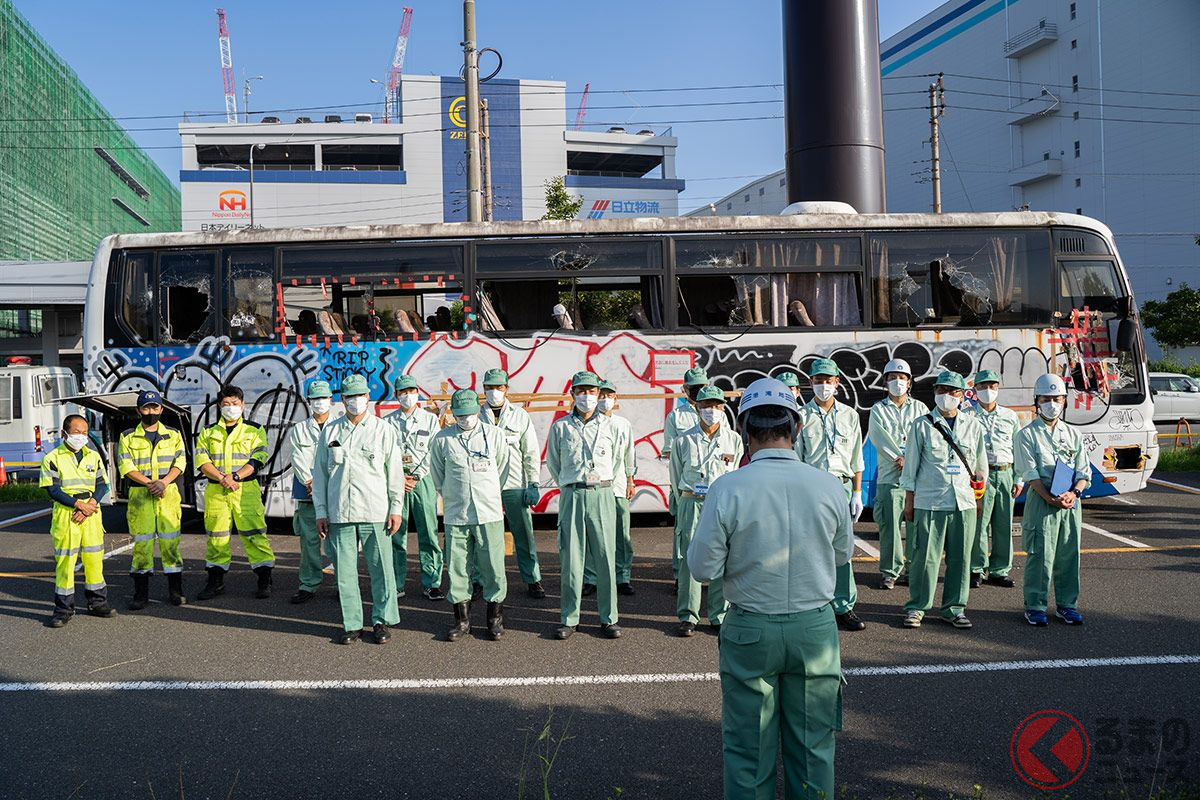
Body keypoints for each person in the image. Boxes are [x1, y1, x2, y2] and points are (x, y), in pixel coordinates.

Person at [688, 377, 852, 800]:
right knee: (814, 748)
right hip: (815, 627)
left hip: (749, 628)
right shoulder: (829, 485)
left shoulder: (727, 487)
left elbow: (703, 568)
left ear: (744, 431)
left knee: (748, 750)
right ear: (796, 428)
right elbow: (842, 554)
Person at [312, 373, 405, 645]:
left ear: (368, 397)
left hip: (376, 511)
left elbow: (394, 473)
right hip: (340, 512)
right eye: (350, 396)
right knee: (345, 572)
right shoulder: (330, 431)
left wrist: (395, 508)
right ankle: (352, 624)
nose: (356, 401)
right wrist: (321, 511)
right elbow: (320, 475)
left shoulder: (383, 430)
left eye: (360, 395)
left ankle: (381, 621)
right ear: (342, 399)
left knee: (382, 570)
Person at [899, 370, 988, 629]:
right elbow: (911, 466)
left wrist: (980, 498)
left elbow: (980, 467)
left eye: (952, 392)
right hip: (930, 501)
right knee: (925, 558)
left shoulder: (973, 425)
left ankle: (954, 608)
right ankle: (917, 607)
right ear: (934, 393)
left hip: (964, 501)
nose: (946, 396)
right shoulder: (921, 424)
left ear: (962, 395)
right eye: (941, 391)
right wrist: (909, 500)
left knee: (960, 559)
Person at [546, 371, 622, 640]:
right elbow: (554, 463)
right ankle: (569, 618)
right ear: (573, 394)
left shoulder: (611, 426)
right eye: (582, 391)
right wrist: (570, 483)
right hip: (573, 495)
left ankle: (608, 618)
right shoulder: (561, 427)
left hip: (602, 493)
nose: (587, 397)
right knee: (571, 560)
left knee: (605, 558)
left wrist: (600, 482)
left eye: (592, 392)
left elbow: (615, 461)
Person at [431, 389, 511, 641]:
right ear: (453, 414)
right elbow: (437, 476)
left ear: (478, 410)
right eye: (460, 414)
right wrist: (455, 496)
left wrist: (487, 493)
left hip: (488, 512)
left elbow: (503, 469)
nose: (466, 418)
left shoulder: (495, 435)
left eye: (470, 413)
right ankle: (462, 621)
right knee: (457, 568)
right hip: (457, 514)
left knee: (494, 567)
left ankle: (494, 619)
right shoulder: (442, 439)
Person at [794, 358, 866, 631]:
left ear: (837, 382)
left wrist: (857, 492)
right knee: (810, 549)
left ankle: (844, 606)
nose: (823, 385)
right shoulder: (801, 416)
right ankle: (813, 603)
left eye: (828, 380)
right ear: (810, 383)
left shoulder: (850, 415)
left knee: (842, 550)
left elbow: (857, 458)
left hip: (842, 486)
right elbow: (797, 459)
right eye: (818, 380)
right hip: (812, 488)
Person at [1014, 373, 1089, 627]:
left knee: (1069, 555)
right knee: (1040, 555)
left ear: (1065, 401)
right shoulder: (1026, 435)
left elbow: (1083, 472)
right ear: (1037, 401)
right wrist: (1050, 497)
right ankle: (1035, 605)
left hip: (1070, 504)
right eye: (1046, 398)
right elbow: (1031, 474)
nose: (1052, 403)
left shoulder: (1073, 434)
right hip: (1041, 501)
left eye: (1057, 398)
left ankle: (1067, 605)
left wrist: (1074, 493)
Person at [670, 385, 742, 636]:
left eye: (717, 405)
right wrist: (683, 503)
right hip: (693, 501)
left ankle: (718, 614)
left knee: (722, 557)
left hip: (722, 504)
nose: (712, 410)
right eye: (706, 406)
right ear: (697, 408)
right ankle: (688, 615)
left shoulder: (733, 439)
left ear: (723, 408)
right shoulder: (683, 440)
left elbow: (736, 476)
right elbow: (676, 476)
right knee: (689, 557)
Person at [194, 386, 275, 601]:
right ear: (220, 406)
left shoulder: (254, 429)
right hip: (217, 490)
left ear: (243, 405)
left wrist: (236, 477)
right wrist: (223, 478)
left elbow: (259, 457)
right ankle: (215, 581)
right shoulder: (208, 431)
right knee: (216, 537)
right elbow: (202, 460)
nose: (231, 408)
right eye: (226, 404)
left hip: (245, 489)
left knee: (255, 534)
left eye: (235, 404)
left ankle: (264, 579)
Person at [40, 415, 117, 627]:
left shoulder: (93, 456)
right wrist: (78, 505)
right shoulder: (53, 457)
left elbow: (103, 484)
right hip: (67, 514)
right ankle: (63, 609)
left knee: (94, 560)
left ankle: (98, 602)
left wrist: (90, 504)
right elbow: (52, 489)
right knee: (66, 562)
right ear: (64, 433)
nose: (81, 436)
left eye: (85, 432)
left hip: (91, 512)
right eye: (76, 432)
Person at [117, 390, 188, 610]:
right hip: (141, 495)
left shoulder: (174, 434)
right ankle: (141, 595)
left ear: (161, 409)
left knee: (171, 545)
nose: (151, 412)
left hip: (167, 494)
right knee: (142, 546)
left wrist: (164, 482)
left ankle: (176, 592)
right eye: (146, 408)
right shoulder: (127, 436)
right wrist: (150, 483)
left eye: (155, 407)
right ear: (139, 410)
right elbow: (125, 466)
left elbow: (181, 462)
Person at [479, 368, 545, 599]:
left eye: (498, 387)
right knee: (485, 538)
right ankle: (481, 580)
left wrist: (533, 483)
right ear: (483, 389)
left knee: (524, 535)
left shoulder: (519, 416)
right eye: (489, 387)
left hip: (515, 485)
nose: (494, 392)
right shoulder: (476, 416)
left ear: (506, 388)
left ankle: (533, 578)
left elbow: (531, 452)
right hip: (485, 487)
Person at [866, 358, 928, 590]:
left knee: (914, 526)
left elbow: (925, 437)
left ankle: (913, 569)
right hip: (890, 477)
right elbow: (878, 437)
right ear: (885, 382)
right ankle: (890, 571)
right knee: (890, 526)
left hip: (915, 479)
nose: (897, 382)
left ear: (910, 382)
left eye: (902, 378)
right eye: (892, 378)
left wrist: (911, 460)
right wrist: (898, 457)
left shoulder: (920, 408)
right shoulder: (878, 409)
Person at [387, 375, 445, 601]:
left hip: (423, 481)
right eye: (402, 392)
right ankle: (396, 583)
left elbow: (433, 452)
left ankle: (432, 582)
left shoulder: (429, 420)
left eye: (411, 391)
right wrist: (400, 477)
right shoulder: (388, 422)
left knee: (428, 532)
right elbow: (387, 453)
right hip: (396, 481)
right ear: (396, 395)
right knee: (395, 532)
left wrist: (416, 475)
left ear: (417, 392)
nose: (407, 395)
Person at [965, 369, 1023, 589]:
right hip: (981, 474)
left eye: (992, 386)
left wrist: (1019, 478)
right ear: (975, 389)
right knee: (979, 523)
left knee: (1003, 524)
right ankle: (976, 568)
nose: (988, 391)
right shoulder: (968, 415)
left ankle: (1000, 570)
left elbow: (1018, 447)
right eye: (982, 387)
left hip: (1005, 473)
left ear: (998, 388)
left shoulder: (1009, 416)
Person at [582, 380, 637, 597]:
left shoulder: (623, 424)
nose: (605, 399)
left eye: (609, 395)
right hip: (595, 486)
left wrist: (631, 480)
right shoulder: (588, 424)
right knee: (592, 534)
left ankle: (622, 576)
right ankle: (591, 577)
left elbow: (628, 454)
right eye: (601, 395)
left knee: (621, 534)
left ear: (616, 398)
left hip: (619, 485)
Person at [288, 379, 339, 604]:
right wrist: (310, 483)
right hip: (307, 492)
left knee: (338, 541)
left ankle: (342, 584)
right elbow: (297, 457)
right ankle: (308, 584)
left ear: (331, 399)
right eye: (315, 399)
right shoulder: (299, 429)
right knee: (309, 541)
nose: (320, 403)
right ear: (309, 402)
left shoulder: (341, 426)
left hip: (336, 492)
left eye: (324, 398)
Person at [663, 365, 709, 591]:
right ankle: (680, 576)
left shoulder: (715, 410)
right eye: (694, 388)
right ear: (685, 389)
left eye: (702, 387)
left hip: (710, 485)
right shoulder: (676, 416)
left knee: (711, 532)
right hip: (686, 483)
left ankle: (707, 574)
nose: (699, 392)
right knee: (682, 533)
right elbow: (671, 454)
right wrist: (675, 489)